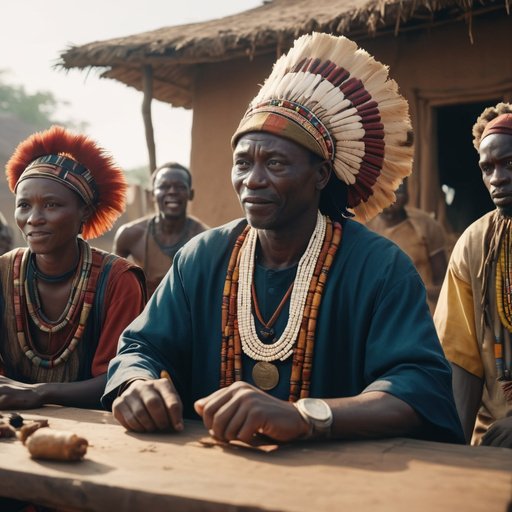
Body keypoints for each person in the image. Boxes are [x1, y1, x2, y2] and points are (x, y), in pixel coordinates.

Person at [105, 33, 463, 445]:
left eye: (275, 163)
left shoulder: (379, 267)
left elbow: (418, 389)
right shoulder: (202, 258)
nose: (252, 181)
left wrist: (306, 417)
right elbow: (139, 347)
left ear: (321, 175)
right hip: (207, 473)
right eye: (243, 163)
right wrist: (137, 382)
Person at [0, 125, 146, 410]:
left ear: (85, 213)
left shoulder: (118, 281)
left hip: (102, 432)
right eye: (24, 205)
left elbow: (122, 377)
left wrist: (40, 393)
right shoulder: (3, 273)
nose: (34, 218)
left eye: (51, 205)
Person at [434, 102, 512, 448]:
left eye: (509, 163)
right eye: (487, 167)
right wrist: (453, 452)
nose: (497, 178)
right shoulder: (475, 244)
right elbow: (461, 358)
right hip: (493, 442)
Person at [113, 162, 208, 296]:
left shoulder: (204, 239)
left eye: (180, 186)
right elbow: (112, 285)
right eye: (164, 186)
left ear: (190, 194)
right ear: (153, 194)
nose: (172, 191)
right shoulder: (130, 234)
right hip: (144, 315)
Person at [367, 180, 447, 314]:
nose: (392, 197)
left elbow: (443, 280)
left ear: (407, 194)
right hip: (381, 315)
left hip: (421, 313)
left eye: (399, 191)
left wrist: (418, 293)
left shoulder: (427, 225)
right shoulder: (365, 229)